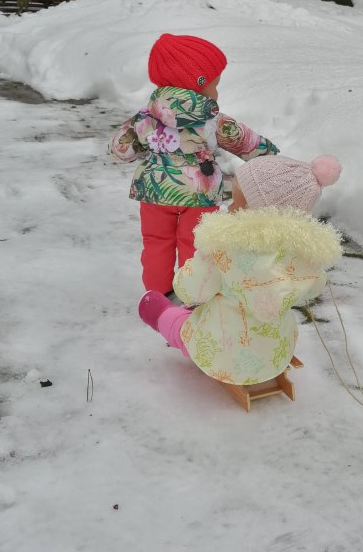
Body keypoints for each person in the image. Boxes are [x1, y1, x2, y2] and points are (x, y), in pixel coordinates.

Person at [138, 154, 342, 387]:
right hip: (277, 352)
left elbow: (190, 290)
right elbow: (315, 286)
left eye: (236, 202)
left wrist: (192, 274)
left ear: (255, 211)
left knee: (181, 321)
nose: (230, 207)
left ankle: (159, 314)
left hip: (223, 355)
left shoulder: (226, 248)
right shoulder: (303, 252)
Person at [109, 33, 278, 296]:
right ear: (198, 83)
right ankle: (195, 294)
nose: (217, 90)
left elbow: (121, 149)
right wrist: (270, 155)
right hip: (200, 191)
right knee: (197, 244)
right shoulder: (213, 120)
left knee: (156, 243)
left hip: (155, 191)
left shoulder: (145, 117)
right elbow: (244, 142)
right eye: (215, 83)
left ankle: (157, 294)